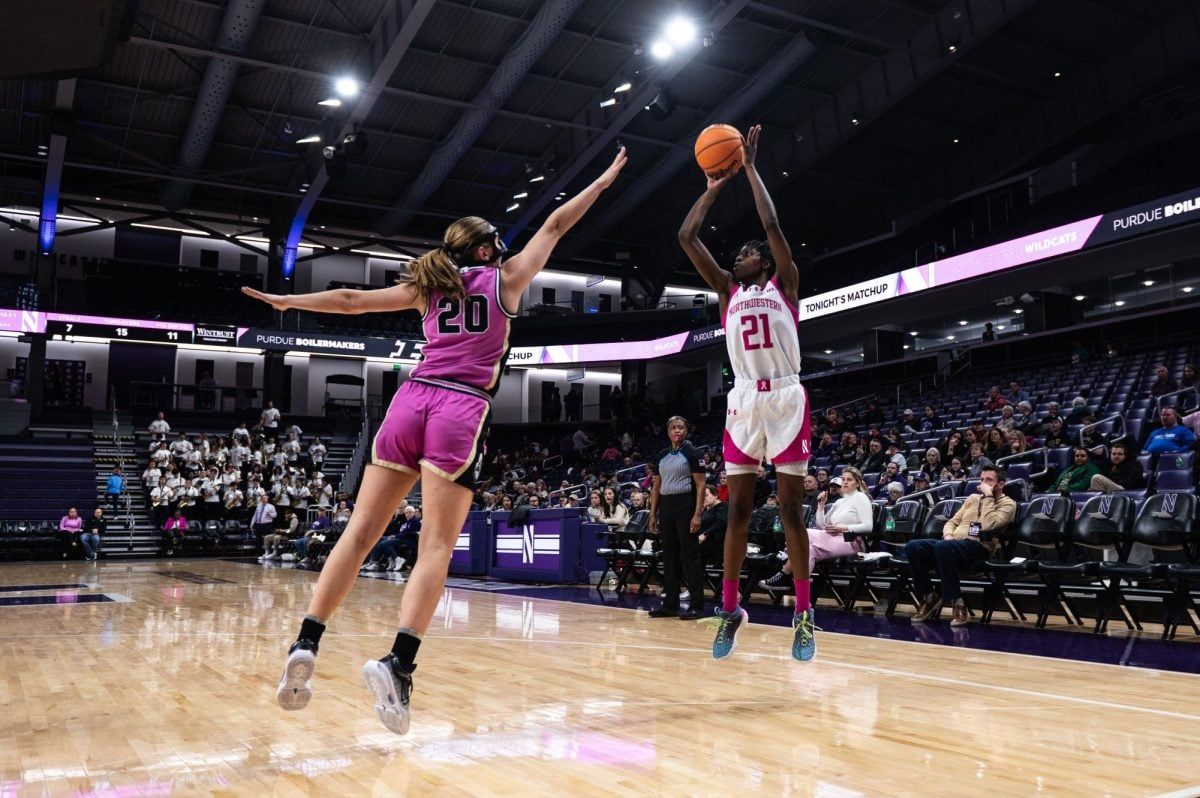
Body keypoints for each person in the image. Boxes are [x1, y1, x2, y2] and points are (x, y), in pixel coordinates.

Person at [243, 146, 627, 735]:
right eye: (496, 240)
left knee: (360, 533)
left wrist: (287, 301)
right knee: (437, 547)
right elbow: (555, 223)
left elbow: (349, 302)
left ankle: (307, 640)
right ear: (482, 249)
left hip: (409, 400)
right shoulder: (505, 278)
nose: (503, 246)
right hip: (459, 408)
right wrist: (601, 182)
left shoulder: (427, 287)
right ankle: (398, 663)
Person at [678, 124, 814, 661]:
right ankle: (730, 608)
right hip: (743, 402)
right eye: (734, 257)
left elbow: (773, 222)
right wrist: (712, 186)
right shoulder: (725, 292)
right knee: (736, 511)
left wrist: (751, 167)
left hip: (784, 398)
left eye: (744, 255)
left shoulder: (785, 284)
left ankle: (803, 614)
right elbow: (687, 238)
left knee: (790, 512)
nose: (736, 260)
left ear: (763, 260)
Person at [906, 465, 1016, 626]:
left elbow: (989, 524)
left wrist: (988, 497)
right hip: (952, 544)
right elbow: (953, 521)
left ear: (1000, 484)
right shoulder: (972, 498)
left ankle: (958, 602)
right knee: (913, 546)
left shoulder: (1008, 504)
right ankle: (929, 596)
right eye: (982, 479)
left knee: (942, 547)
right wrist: (948, 535)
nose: (983, 483)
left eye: (989, 480)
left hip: (978, 547)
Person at [647, 416, 707, 620]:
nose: (677, 431)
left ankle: (697, 605)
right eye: (673, 428)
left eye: (681, 427)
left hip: (686, 505)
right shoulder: (661, 455)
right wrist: (653, 514)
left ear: (686, 431)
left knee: (689, 556)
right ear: (668, 432)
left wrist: (697, 513)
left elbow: (701, 485)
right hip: (666, 506)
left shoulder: (693, 453)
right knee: (669, 555)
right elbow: (655, 487)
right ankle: (671, 604)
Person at [696, 484, 727, 562]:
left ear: (716, 495)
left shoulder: (723, 506)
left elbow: (721, 523)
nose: (703, 498)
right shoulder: (705, 510)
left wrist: (705, 534)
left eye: (706, 495)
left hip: (716, 542)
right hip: (702, 542)